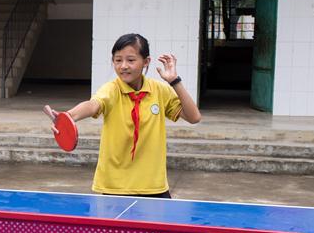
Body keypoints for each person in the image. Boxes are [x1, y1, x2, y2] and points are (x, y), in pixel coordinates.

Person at [43, 33, 201, 198]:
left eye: (131, 60)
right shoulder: (111, 89)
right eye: (118, 60)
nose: (123, 66)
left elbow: (194, 117)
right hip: (114, 187)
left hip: (153, 186)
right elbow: (93, 104)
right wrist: (68, 117)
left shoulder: (159, 90)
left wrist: (174, 81)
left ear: (146, 62)